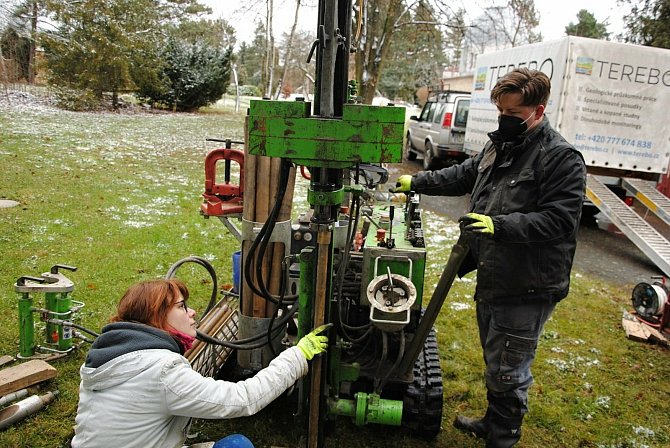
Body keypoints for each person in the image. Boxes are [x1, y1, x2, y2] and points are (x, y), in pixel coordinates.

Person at [392, 68, 586, 447]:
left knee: (510, 369)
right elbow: (466, 175)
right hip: (496, 274)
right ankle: (492, 420)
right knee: (496, 357)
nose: (504, 120)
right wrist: (418, 182)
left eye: (513, 115)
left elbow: (561, 220)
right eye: (500, 112)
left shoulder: (560, 158)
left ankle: (502, 437)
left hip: (527, 283)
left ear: (538, 111)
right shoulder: (502, 145)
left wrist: (501, 226)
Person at [71, 278, 330, 448]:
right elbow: (243, 399)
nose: (192, 312)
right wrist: (297, 355)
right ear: (157, 317)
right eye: (182, 307)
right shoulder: (161, 371)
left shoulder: (112, 358)